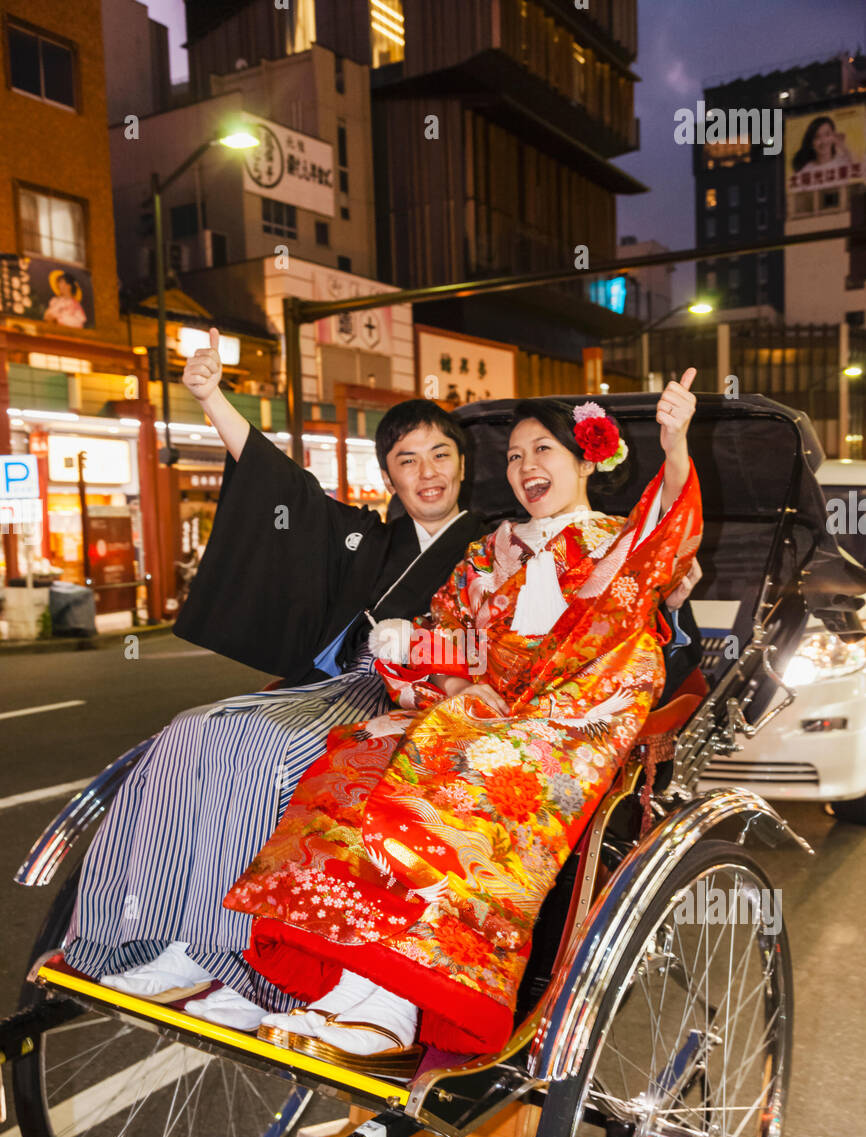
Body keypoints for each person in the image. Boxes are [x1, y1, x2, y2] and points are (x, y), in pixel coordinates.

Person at [222, 371, 704, 1072]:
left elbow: (669, 538)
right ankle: (355, 986)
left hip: (571, 721)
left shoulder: (615, 542)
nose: (525, 467)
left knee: (457, 774)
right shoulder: (490, 551)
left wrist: (676, 442)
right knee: (362, 755)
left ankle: (395, 1005)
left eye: (543, 450)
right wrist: (408, 645)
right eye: (513, 456)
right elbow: (455, 639)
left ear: (586, 459)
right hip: (483, 710)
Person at [61, 329, 490, 1029]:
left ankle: (239, 954)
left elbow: (511, 633)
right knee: (189, 733)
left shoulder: (489, 543)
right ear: (390, 478)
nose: (427, 471)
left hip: (412, 696)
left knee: (277, 754)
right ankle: (180, 935)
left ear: (463, 465)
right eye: (407, 460)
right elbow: (280, 484)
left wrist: (423, 646)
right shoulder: (369, 539)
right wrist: (208, 395)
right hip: (330, 684)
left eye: (440, 453)